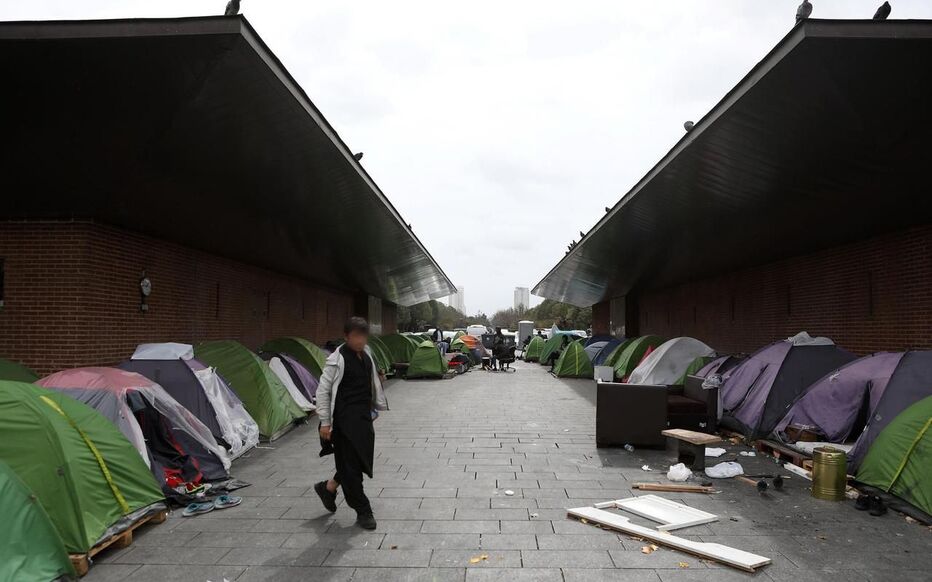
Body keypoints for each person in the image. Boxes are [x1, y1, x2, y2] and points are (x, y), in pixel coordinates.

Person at [313, 317, 388, 530]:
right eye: (356, 336)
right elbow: (323, 391)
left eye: (363, 336)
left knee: (357, 461)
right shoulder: (337, 360)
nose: (360, 340)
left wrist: (377, 383)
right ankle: (363, 510)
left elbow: (369, 380)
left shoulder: (367, 355)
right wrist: (325, 423)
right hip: (343, 422)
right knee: (351, 468)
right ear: (346, 337)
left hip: (363, 420)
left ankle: (328, 488)